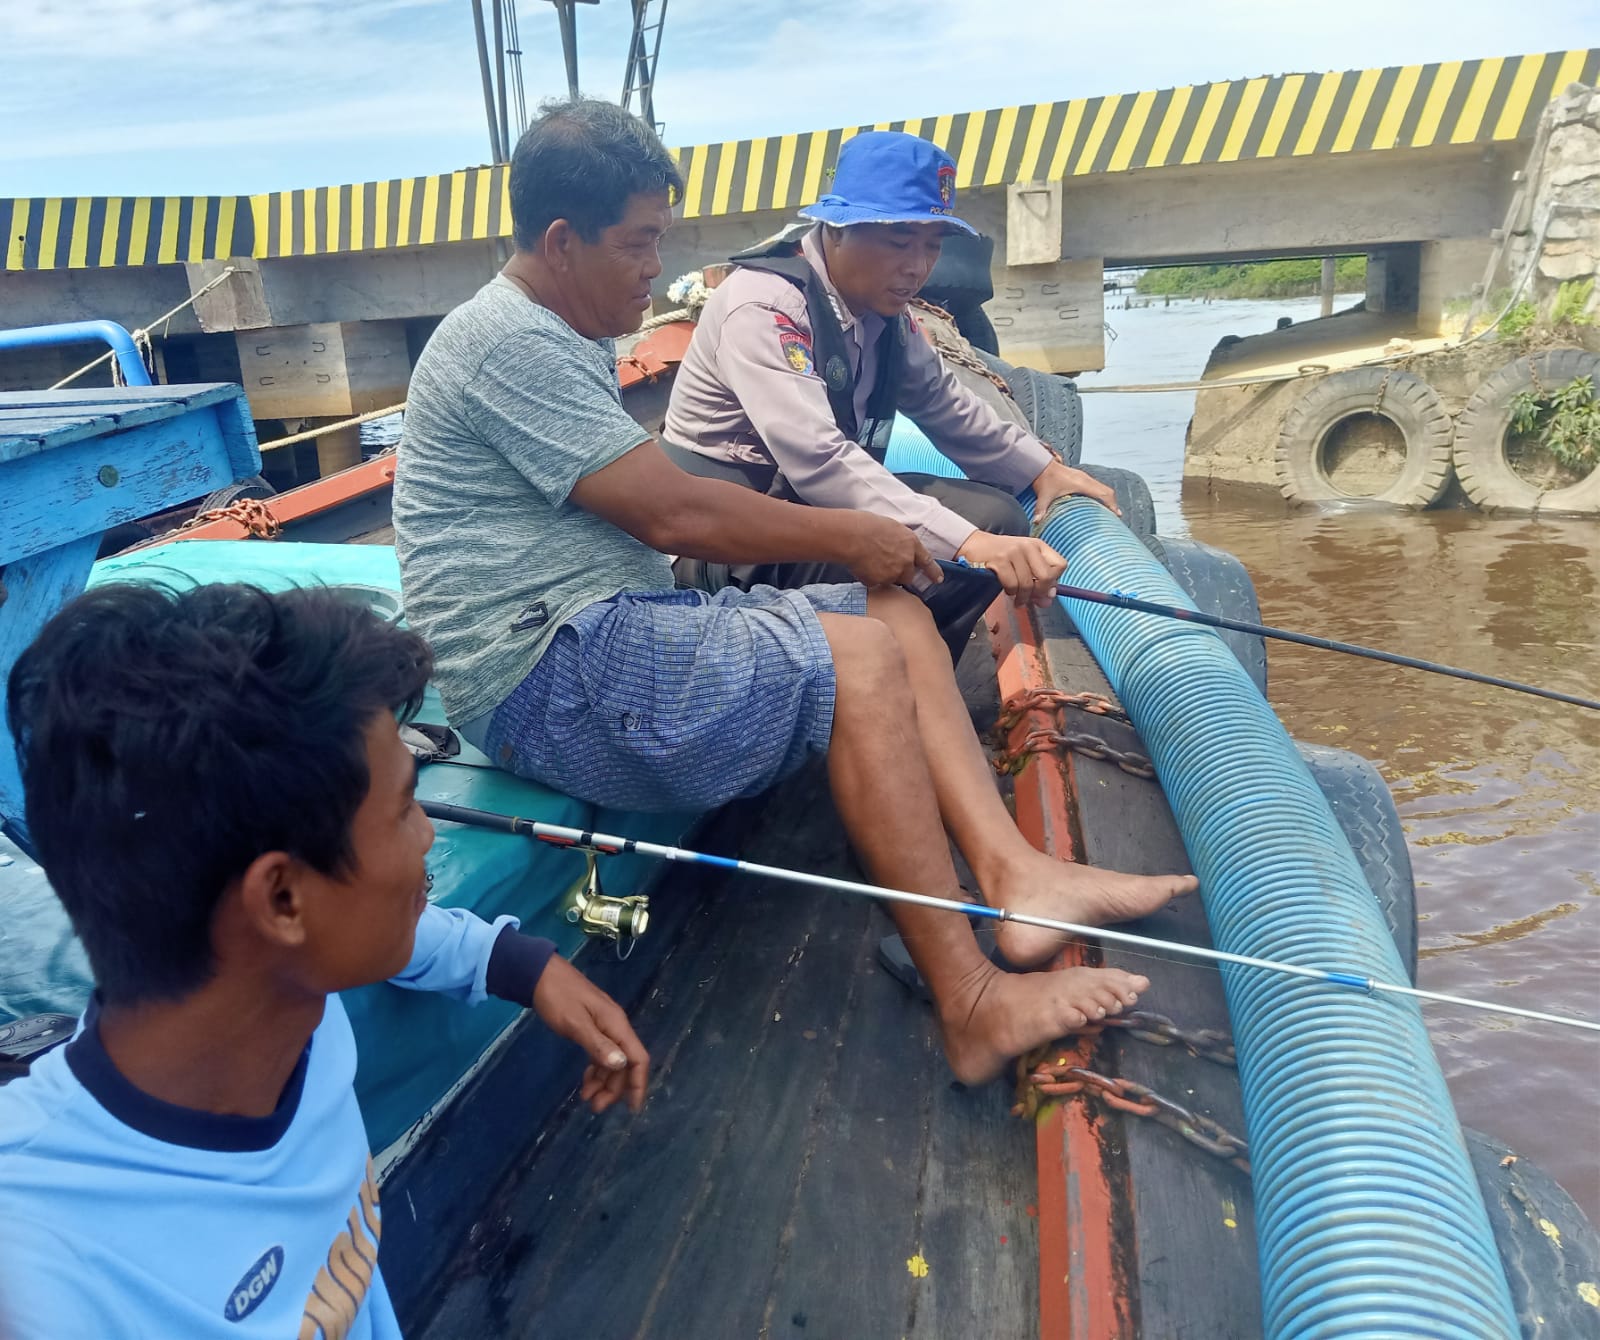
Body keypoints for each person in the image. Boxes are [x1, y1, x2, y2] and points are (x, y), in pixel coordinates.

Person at [393, 98, 1195, 1092]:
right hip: (547, 674)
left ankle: (1013, 873)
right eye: (639, 244)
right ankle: (971, 1001)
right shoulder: (510, 342)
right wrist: (858, 537)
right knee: (861, 652)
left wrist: (1012, 485)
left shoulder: (565, 332)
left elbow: (941, 410)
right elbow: (674, 515)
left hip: (606, 630)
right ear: (562, 242)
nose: (656, 268)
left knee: (894, 616)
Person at [0, 583, 649, 1339]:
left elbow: (416, 934)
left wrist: (524, 965)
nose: (426, 837)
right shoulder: (40, 1269)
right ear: (282, 900)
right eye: (404, 809)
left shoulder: (288, 999)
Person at [661, 129, 1118, 631]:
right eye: (899, 242)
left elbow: (945, 405)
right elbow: (819, 458)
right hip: (727, 542)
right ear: (837, 231)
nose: (917, 268)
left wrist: (1041, 471)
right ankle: (875, 654)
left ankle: (912, 651)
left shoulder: (883, 314)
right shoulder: (766, 306)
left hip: (804, 510)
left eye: (931, 246)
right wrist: (969, 544)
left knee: (997, 517)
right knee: (963, 546)